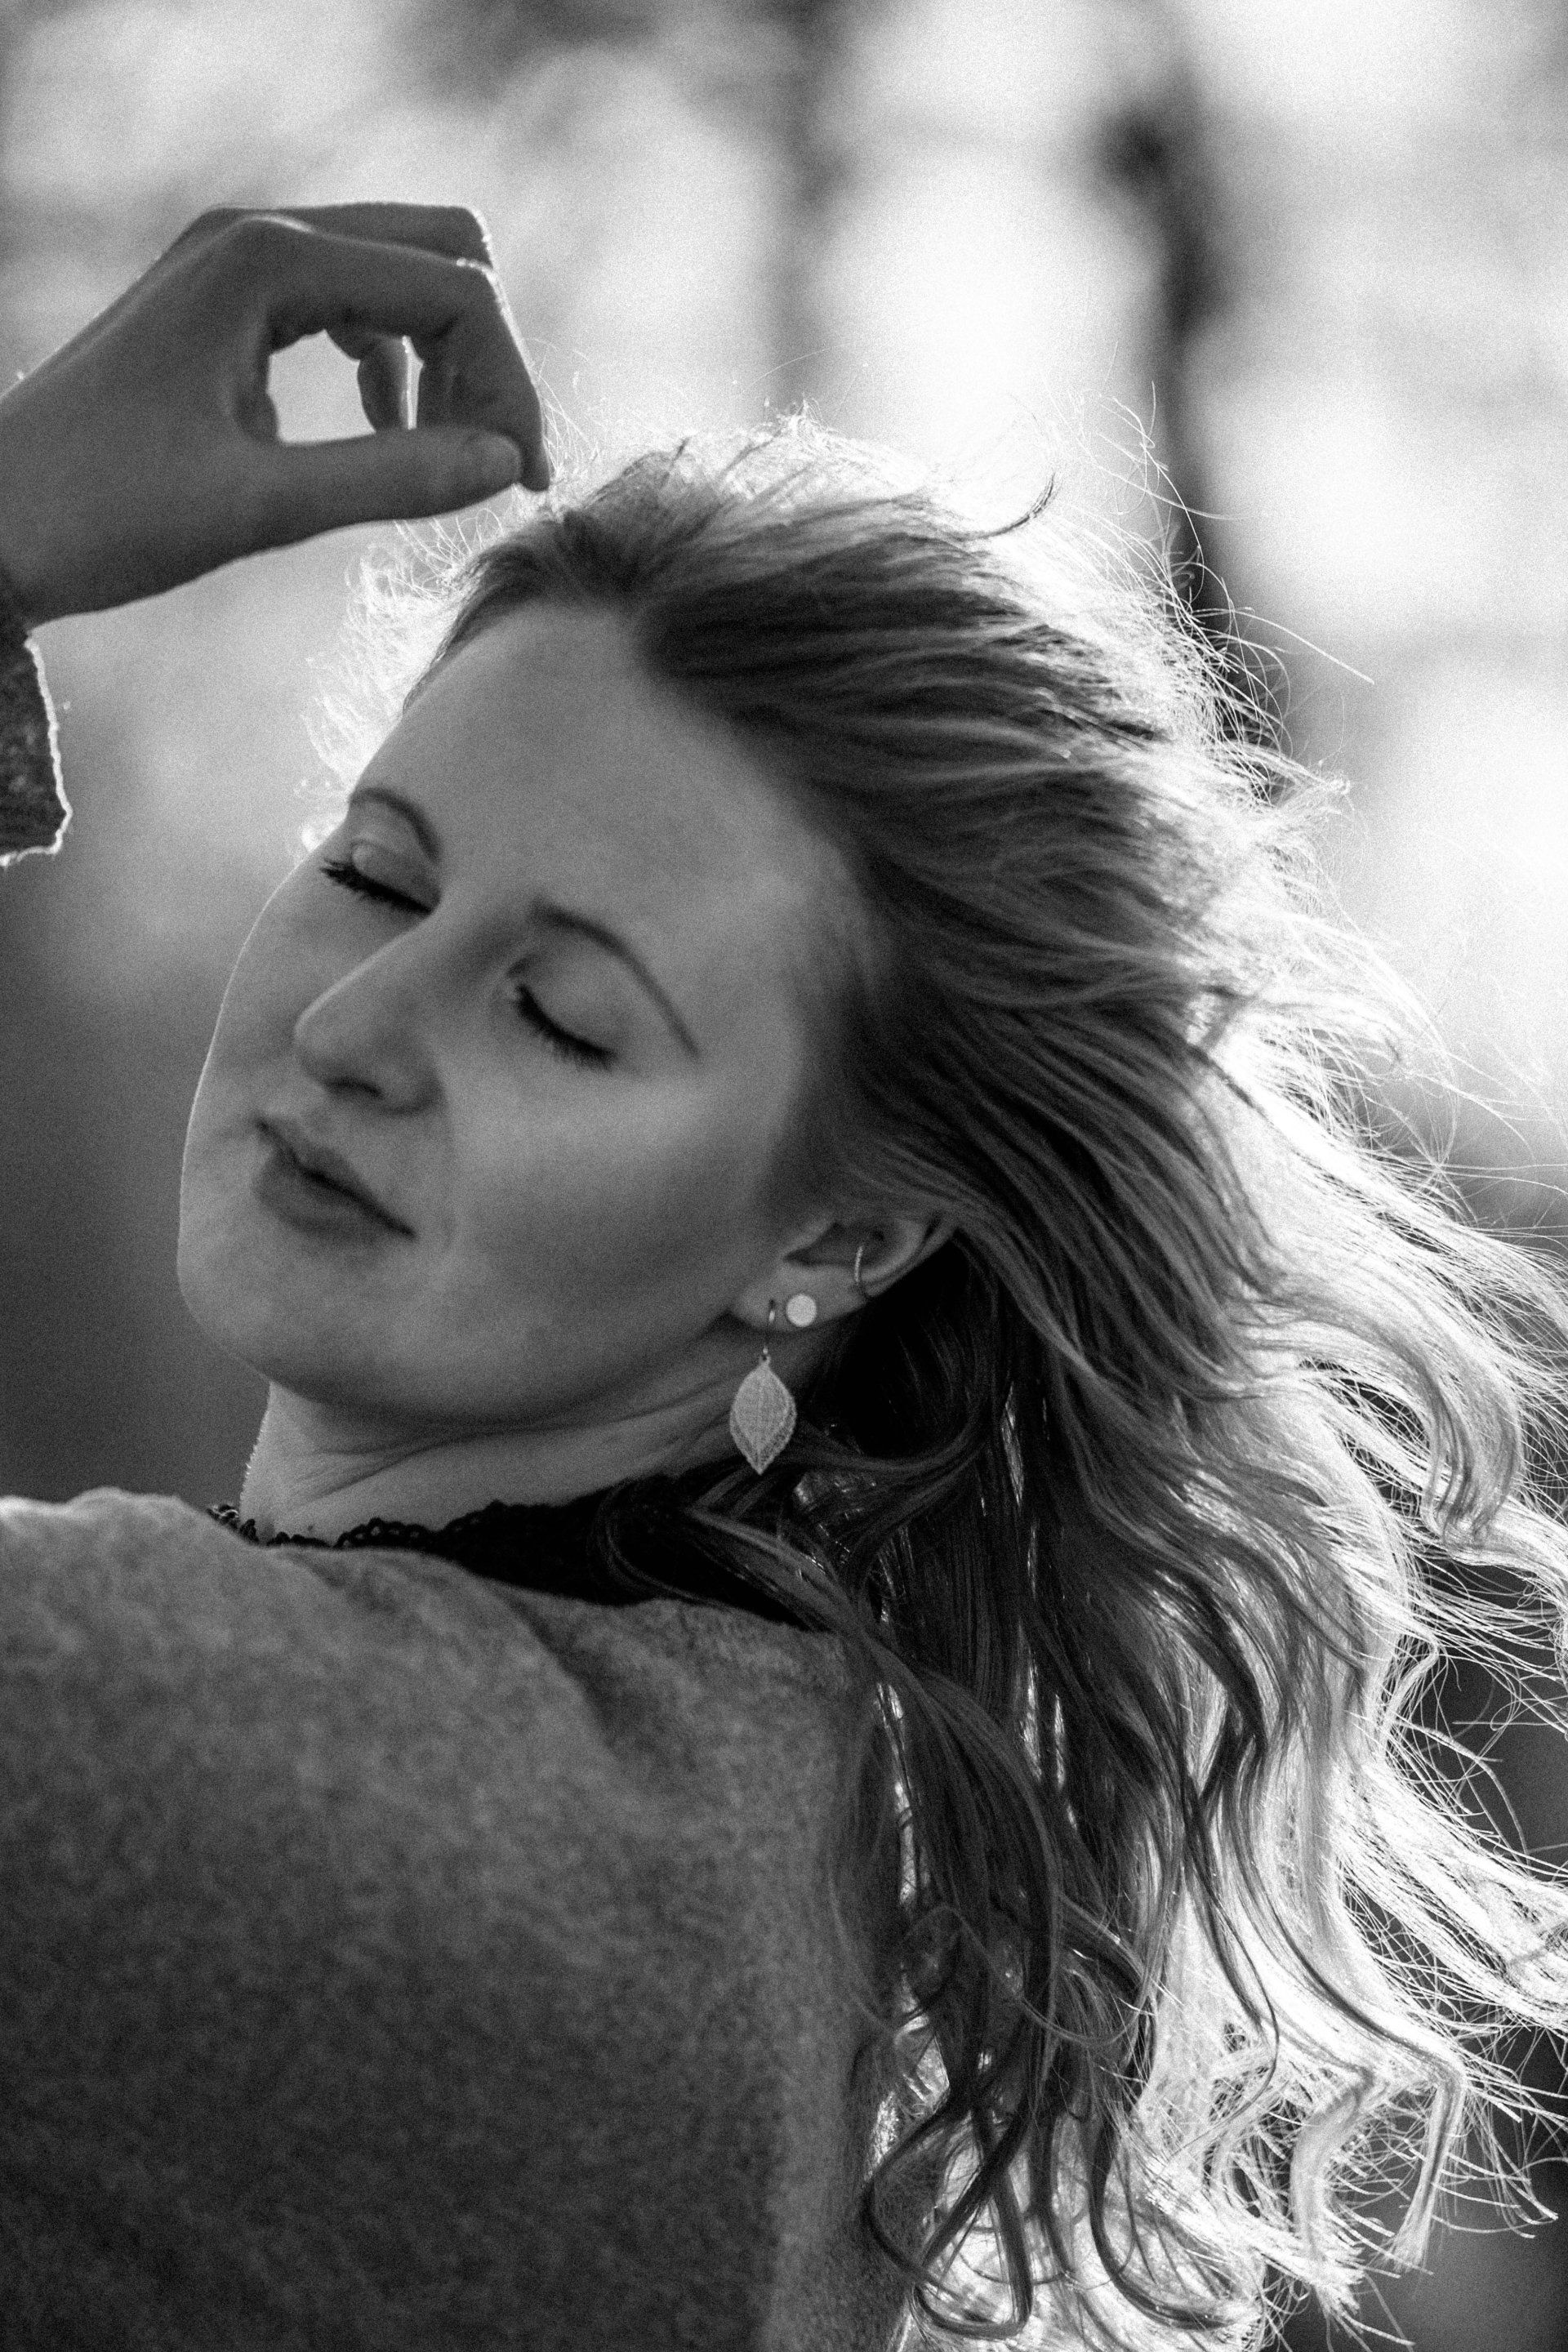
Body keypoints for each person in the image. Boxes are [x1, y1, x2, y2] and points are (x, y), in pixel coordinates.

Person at [1, 203, 1566, 2352]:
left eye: (560, 1017)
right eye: (375, 874)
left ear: (836, 1236)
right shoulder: (759, 1781)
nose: (361, 1024)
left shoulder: (286, 1790)